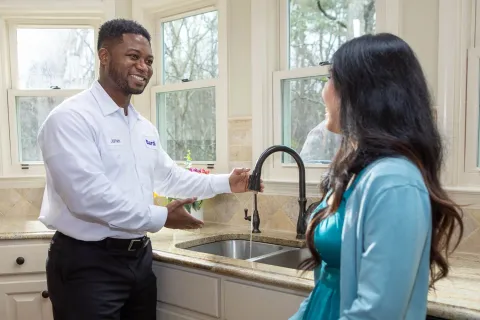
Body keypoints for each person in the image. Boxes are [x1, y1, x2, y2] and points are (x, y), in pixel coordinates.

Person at [37, 18, 262, 320]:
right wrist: (162, 217)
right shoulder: (70, 119)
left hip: (139, 261)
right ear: (104, 57)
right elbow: (87, 198)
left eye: (149, 60)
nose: (144, 66)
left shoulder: (142, 126)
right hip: (87, 264)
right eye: (133, 56)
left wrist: (227, 183)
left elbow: (168, 177)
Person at [290, 33, 464, 320]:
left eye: (331, 78)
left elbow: (377, 313)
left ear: (364, 93)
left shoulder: (394, 182)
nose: (324, 91)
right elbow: (327, 283)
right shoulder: (358, 172)